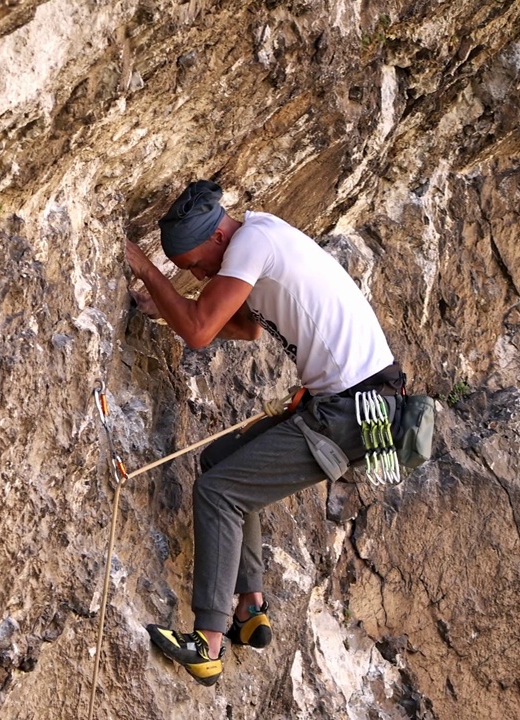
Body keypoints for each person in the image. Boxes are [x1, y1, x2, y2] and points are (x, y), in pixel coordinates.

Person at [124, 179, 404, 686]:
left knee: (218, 493)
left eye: (194, 266)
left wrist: (145, 269)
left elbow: (201, 331)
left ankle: (206, 644)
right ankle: (250, 606)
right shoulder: (262, 232)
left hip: (348, 413)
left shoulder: (253, 244)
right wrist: (165, 305)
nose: (200, 275)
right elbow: (247, 327)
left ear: (215, 240)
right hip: (358, 401)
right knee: (221, 463)